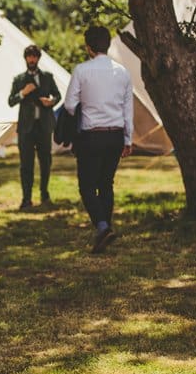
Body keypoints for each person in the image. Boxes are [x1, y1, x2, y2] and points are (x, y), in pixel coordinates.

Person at [63, 26, 133, 253]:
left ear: (88, 48)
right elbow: (127, 109)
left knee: (87, 186)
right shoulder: (122, 72)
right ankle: (105, 229)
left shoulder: (82, 71)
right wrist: (128, 139)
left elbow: (69, 105)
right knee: (106, 184)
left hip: (91, 136)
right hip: (115, 134)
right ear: (108, 44)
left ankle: (103, 227)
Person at [8, 44, 61, 210]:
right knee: (26, 164)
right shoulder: (18, 79)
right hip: (26, 128)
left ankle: (45, 195)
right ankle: (26, 199)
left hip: (44, 126)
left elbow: (58, 95)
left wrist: (51, 101)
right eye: (29, 56)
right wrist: (23, 93)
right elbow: (11, 101)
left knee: (45, 162)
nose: (31, 59)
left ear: (38, 58)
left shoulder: (47, 77)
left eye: (34, 56)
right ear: (25, 58)